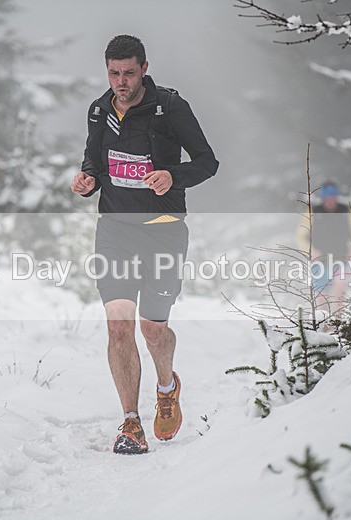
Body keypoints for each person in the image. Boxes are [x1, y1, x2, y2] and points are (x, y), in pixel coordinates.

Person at [71, 35, 218, 455]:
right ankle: (130, 423)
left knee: (153, 329)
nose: (121, 81)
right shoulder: (100, 111)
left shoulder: (170, 108)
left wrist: (174, 176)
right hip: (115, 228)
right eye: (114, 73)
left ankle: (167, 387)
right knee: (119, 326)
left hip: (163, 227)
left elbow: (207, 161)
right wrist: (86, 182)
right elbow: (94, 163)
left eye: (129, 73)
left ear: (144, 68)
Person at [296, 181, 351, 317]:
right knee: (322, 300)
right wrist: (311, 251)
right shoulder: (313, 211)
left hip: (342, 258)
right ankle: (325, 329)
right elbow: (301, 237)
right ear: (323, 197)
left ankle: (338, 326)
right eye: (327, 196)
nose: (331, 200)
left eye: (333, 196)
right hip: (320, 260)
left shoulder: (345, 210)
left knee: (339, 297)